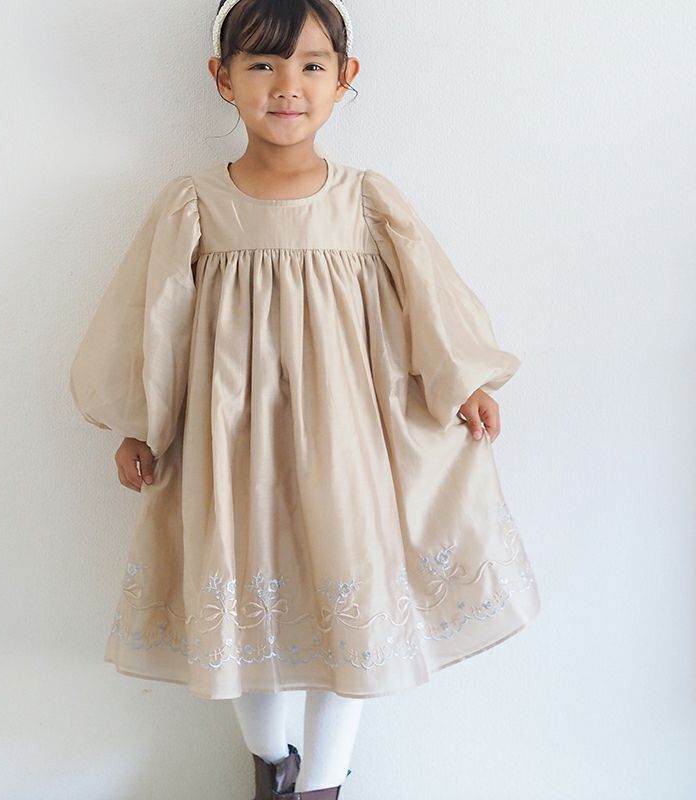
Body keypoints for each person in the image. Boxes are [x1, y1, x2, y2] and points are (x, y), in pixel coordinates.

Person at [68, 0, 542, 796]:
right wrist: (137, 424)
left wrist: (461, 378)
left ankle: (321, 784)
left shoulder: (364, 200)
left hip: (347, 442)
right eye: (262, 64)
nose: (287, 85)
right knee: (243, 604)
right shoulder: (195, 202)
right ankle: (272, 766)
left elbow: (426, 297)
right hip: (230, 445)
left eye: (311, 66)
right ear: (223, 78)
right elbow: (152, 320)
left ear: (344, 79)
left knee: (350, 605)